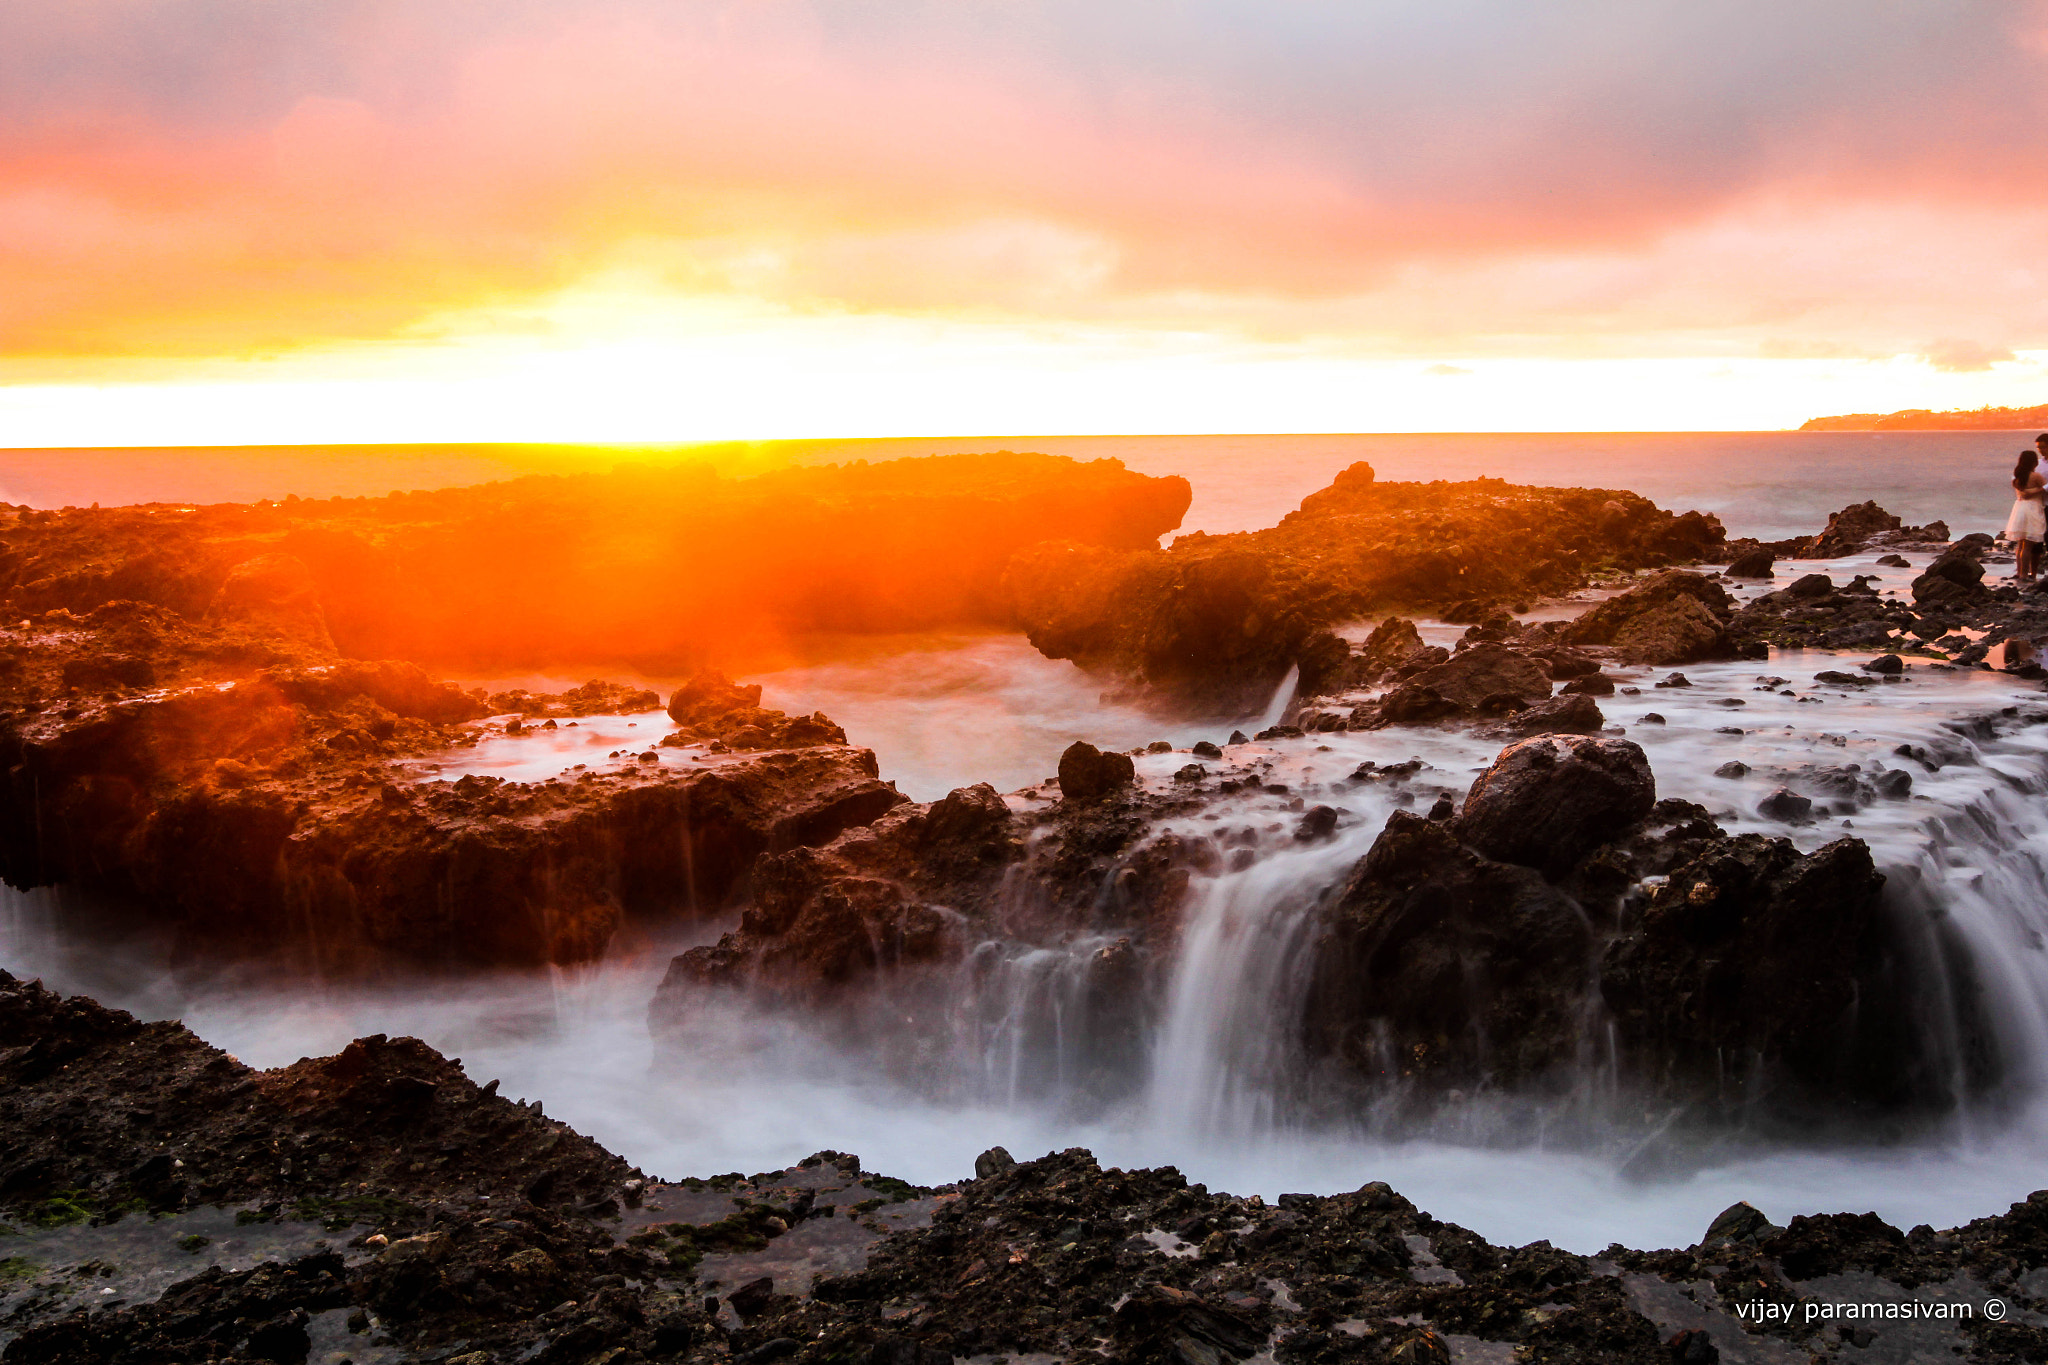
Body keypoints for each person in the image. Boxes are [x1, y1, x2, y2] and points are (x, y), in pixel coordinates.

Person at [2006, 448, 2046, 584]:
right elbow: (2045, 488)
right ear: (2033, 463)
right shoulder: (2035, 477)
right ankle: (2024, 574)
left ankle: (2019, 572)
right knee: (2028, 545)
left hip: (2020, 508)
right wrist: (2039, 489)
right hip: (2033, 508)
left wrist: (2029, 492)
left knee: (2021, 544)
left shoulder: (2018, 476)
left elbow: (2022, 493)